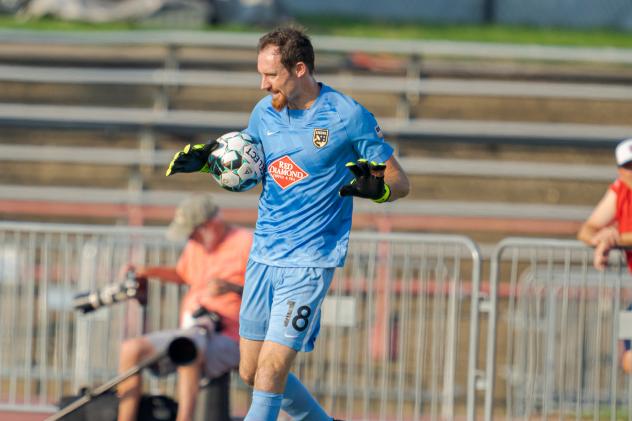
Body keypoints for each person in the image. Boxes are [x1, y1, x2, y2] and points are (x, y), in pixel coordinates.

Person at [166, 26, 410, 421]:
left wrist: (376, 189)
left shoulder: (347, 116)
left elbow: (401, 182)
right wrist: (215, 159)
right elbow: (248, 162)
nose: (263, 85)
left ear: (299, 69)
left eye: (271, 75)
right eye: (260, 75)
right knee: (251, 370)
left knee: (272, 369)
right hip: (263, 258)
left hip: (309, 261)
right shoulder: (264, 113)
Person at [116, 194, 252, 421]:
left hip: (231, 337)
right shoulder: (197, 245)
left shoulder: (247, 242)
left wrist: (232, 287)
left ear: (209, 225)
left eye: (193, 233)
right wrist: (146, 270)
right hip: (193, 329)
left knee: (187, 347)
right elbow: (183, 274)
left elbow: (269, 290)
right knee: (131, 350)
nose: (191, 239)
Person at [577, 137, 632, 373]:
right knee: (628, 360)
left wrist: (613, 238)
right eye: (629, 167)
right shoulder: (619, 190)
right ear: (620, 171)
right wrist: (600, 240)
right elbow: (586, 230)